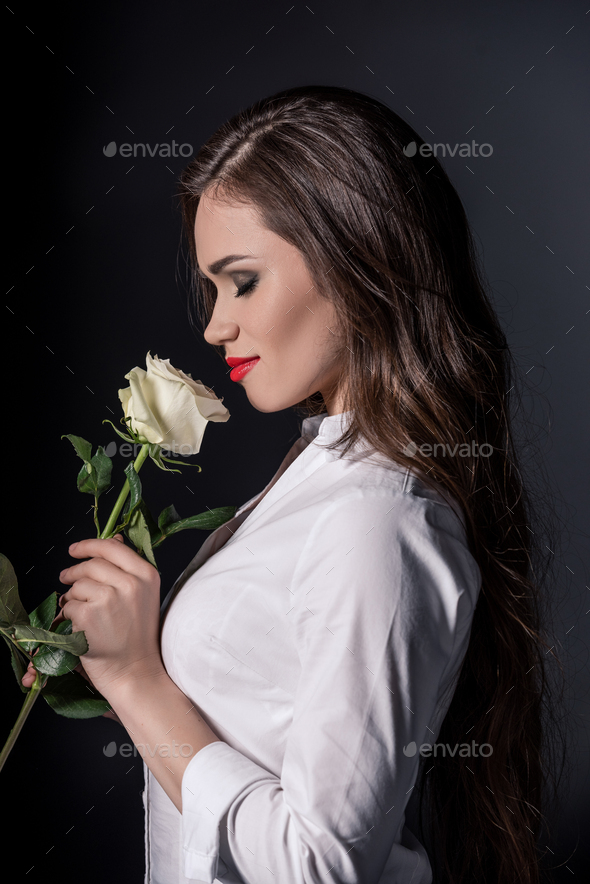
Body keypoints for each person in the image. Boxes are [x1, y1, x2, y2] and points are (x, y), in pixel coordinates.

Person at [23, 85, 563, 883]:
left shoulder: (376, 519)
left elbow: (315, 866)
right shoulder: (320, 477)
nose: (214, 325)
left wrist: (141, 683)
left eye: (241, 281)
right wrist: (121, 665)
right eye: (211, 288)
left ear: (359, 262)